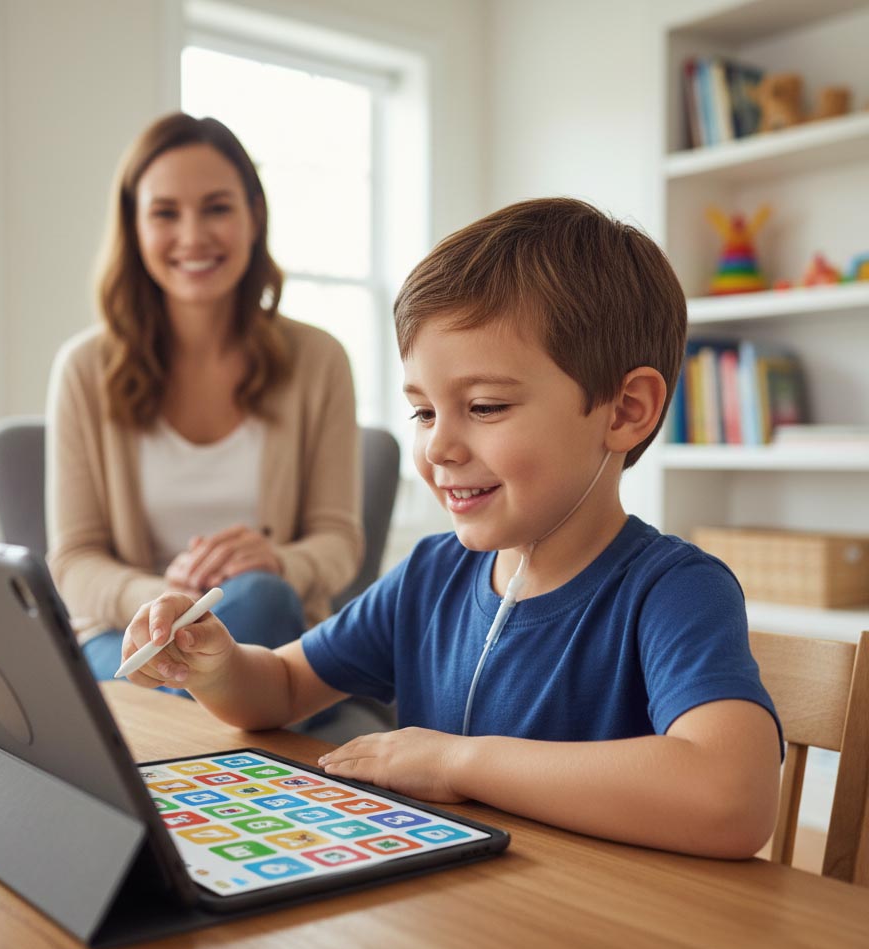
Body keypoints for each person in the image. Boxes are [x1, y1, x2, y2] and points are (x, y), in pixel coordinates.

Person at [117, 197, 783, 859]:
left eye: (485, 406)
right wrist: (219, 665)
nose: (438, 448)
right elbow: (283, 689)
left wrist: (458, 763)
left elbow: (732, 797)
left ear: (625, 410)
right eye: (424, 413)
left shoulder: (673, 590)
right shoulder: (430, 575)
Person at [46, 113, 363, 684]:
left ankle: (161, 752)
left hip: (272, 625)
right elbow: (73, 560)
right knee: (175, 657)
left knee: (261, 598)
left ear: (253, 217)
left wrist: (278, 561)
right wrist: (165, 602)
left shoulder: (320, 361)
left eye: (216, 208)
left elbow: (339, 540)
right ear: (134, 226)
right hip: (126, 636)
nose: (192, 236)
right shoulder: (83, 369)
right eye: (165, 213)